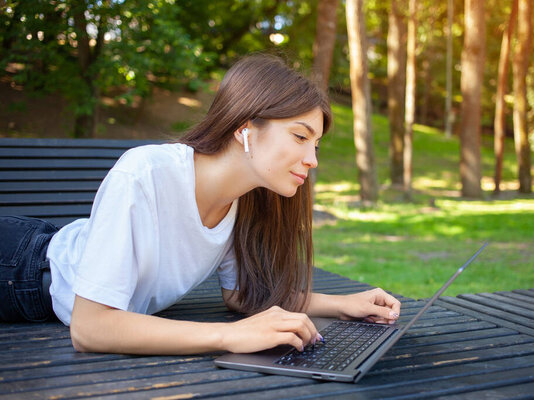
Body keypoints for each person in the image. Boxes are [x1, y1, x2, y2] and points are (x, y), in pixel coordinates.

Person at [0, 54, 401, 355]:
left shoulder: (247, 198)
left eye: (316, 145)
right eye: (300, 137)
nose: (313, 160)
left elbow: (243, 295)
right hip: (22, 268)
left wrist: (344, 305)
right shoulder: (146, 173)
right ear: (245, 128)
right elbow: (90, 328)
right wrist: (229, 337)